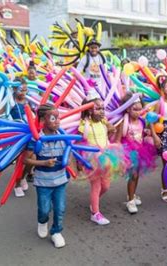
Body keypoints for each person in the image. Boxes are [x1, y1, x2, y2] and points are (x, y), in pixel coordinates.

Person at [25, 104, 69, 248]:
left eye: (58, 118)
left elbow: (70, 152)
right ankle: (42, 221)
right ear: (43, 119)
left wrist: (71, 164)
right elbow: (27, 159)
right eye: (53, 118)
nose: (57, 121)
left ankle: (56, 231)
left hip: (61, 180)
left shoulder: (63, 137)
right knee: (44, 209)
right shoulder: (36, 139)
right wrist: (43, 162)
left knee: (60, 208)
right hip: (43, 182)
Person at [78, 94, 122, 224]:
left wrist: (111, 129)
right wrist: (81, 161)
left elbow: (110, 132)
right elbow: (80, 143)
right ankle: (95, 213)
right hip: (92, 158)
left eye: (103, 108)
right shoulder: (84, 124)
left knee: (106, 186)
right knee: (96, 186)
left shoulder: (103, 121)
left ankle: (94, 202)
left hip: (106, 156)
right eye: (98, 108)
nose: (102, 111)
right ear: (89, 110)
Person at [116, 92, 158, 213]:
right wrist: (120, 155)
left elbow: (142, 134)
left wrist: (148, 133)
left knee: (136, 175)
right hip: (129, 152)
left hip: (140, 151)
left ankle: (132, 195)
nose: (138, 112)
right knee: (133, 176)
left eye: (140, 110)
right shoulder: (123, 123)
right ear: (127, 109)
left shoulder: (141, 121)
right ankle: (130, 201)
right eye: (135, 109)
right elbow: (118, 140)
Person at [10, 78, 33, 197]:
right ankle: (17, 185)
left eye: (25, 89)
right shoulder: (10, 100)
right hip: (17, 135)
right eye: (21, 89)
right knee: (20, 160)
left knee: (31, 159)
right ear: (14, 88)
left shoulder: (29, 100)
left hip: (31, 133)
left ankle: (23, 177)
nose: (24, 92)